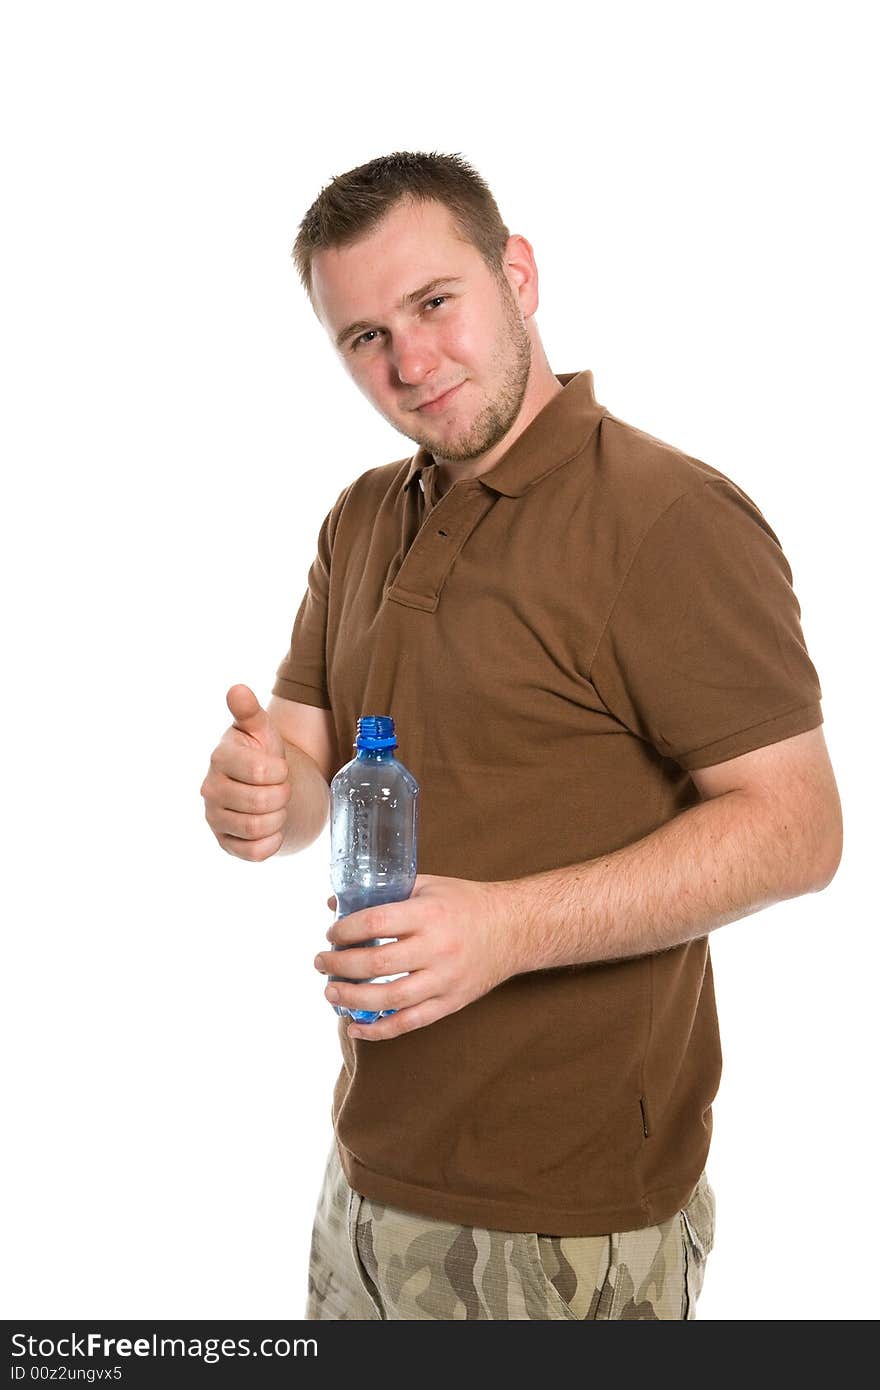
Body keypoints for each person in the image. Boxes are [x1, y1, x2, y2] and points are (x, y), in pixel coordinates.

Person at [200, 151, 843, 1320]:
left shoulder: (666, 519)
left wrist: (508, 926)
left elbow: (798, 829)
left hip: (566, 1220)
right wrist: (262, 792)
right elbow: (309, 770)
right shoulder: (360, 518)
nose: (409, 362)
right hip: (365, 1178)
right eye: (362, 337)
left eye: (434, 304)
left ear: (518, 276)